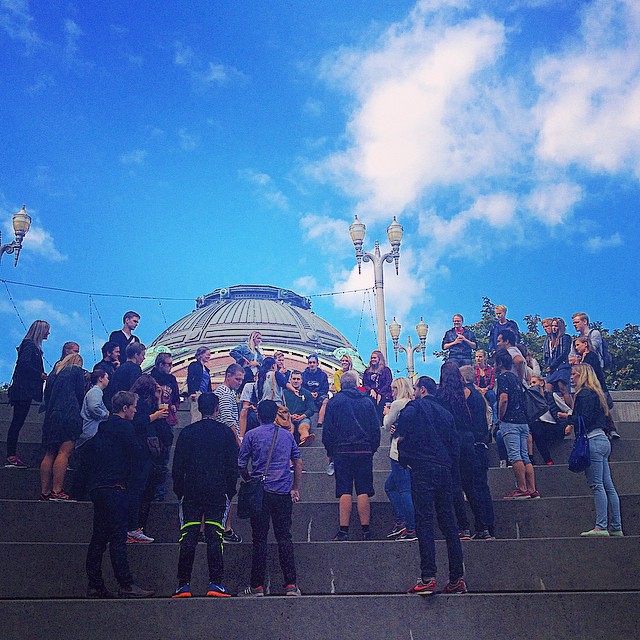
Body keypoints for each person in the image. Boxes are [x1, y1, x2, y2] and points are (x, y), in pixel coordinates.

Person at [397, 376, 467, 596]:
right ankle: (456, 578)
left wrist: (403, 452)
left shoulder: (415, 407)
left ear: (423, 390)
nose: (415, 391)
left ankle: (428, 576)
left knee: (425, 523)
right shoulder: (446, 414)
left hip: (422, 469)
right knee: (449, 525)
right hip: (444, 470)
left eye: (417, 388)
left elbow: (402, 428)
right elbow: (455, 446)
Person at [82, 390, 154, 598]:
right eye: (133, 406)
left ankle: (95, 584)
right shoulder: (124, 427)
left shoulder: (102, 429)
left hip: (98, 487)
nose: (135, 410)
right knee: (118, 537)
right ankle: (126, 583)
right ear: (125, 408)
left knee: (98, 537)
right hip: (115, 487)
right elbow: (136, 454)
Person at [171, 393, 239, 598]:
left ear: (200, 409)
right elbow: (232, 465)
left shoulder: (187, 433)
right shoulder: (226, 433)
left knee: (188, 535)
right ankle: (215, 583)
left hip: (191, 490)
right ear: (217, 409)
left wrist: (179, 489)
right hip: (217, 491)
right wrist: (230, 489)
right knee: (214, 535)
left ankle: (183, 585)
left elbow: (177, 466)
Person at [237, 400, 302, 597]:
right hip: (282, 492)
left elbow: (241, 464)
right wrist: (295, 488)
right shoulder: (287, 436)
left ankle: (256, 586)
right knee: (284, 537)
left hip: (260, 493)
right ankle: (291, 584)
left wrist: (250, 480)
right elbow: (298, 463)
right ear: (275, 415)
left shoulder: (251, 435)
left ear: (258, 416)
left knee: (259, 539)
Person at [560, 364, 622, 537]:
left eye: (574, 374)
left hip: (592, 440)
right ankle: (616, 526)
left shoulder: (584, 393)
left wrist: (568, 418)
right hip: (602, 439)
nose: (571, 377)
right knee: (609, 486)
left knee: (597, 485)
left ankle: (601, 526)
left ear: (582, 375)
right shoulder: (596, 393)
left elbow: (584, 419)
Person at [322, 370, 380, 541]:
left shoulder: (334, 403)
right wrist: (372, 449)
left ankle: (343, 531)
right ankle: (366, 530)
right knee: (363, 489)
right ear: (356, 384)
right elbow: (375, 430)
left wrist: (329, 451)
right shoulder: (367, 402)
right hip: (364, 450)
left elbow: (328, 431)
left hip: (341, 451)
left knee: (344, 489)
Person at [436, 362, 487, 540]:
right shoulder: (467, 392)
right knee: (470, 485)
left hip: (451, 440)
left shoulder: (441, 395)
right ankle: (482, 527)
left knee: (455, 486)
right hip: (468, 440)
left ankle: (463, 526)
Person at [127, 375, 170, 543]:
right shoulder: (138, 406)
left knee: (145, 493)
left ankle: (137, 528)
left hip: (150, 456)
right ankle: (133, 527)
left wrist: (159, 401)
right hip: (141, 454)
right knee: (138, 492)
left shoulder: (151, 406)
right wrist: (156, 414)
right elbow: (138, 423)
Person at [40, 353, 85, 501]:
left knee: (49, 453)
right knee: (64, 452)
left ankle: (45, 491)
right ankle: (57, 490)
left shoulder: (55, 373)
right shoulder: (77, 371)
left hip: (52, 415)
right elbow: (80, 394)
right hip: (69, 414)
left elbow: (46, 395)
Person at [495, 349, 539, 500]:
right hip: (523, 421)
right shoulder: (515, 378)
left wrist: (500, 416)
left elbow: (504, 398)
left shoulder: (503, 378)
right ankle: (532, 488)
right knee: (525, 456)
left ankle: (522, 488)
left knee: (515, 456)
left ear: (499, 363)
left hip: (510, 421)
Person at [6, 320, 49, 468]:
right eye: (46, 330)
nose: (48, 333)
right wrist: (40, 375)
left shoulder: (29, 345)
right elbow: (24, 365)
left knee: (17, 422)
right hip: (23, 391)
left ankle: (11, 454)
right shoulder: (31, 346)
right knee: (17, 422)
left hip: (21, 390)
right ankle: (11, 455)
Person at [459, 365, 495, 539]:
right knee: (482, 487)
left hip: (473, 446)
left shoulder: (467, 396)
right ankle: (489, 526)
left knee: (475, 488)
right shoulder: (480, 398)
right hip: (482, 445)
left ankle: (484, 526)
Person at [214, 363, 246, 544]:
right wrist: (238, 441)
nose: (239, 383)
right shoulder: (225, 394)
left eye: (241, 380)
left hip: (224, 444)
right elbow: (228, 419)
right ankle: (225, 528)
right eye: (237, 379)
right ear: (228, 375)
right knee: (228, 488)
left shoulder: (226, 393)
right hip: (227, 445)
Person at [382, 377, 416, 541]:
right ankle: (402, 519)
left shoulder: (397, 404)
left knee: (403, 490)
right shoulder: (413, 403)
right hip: (412, 452)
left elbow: (387, 425)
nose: (392, 392)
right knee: (390, 486)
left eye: (394, 389)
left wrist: (387, 414)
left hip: (398, 452)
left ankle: (410, 527)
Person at [150, 352, 181, 500]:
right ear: (160, 364)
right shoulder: (150, 378)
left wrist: (175, 406)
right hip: (153, 422)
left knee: (164, 458)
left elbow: (176, 398)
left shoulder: (171, 379)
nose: (171, 367)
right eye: (169, 364)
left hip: (168, 421)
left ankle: (160, 493)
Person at [104, 342, 146, 410]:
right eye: (142, 355)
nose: (144, 358)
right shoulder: (135, 369)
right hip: (127, 405)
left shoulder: (120, 368)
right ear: (136, 355)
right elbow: (136, 388)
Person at [284, 370, 316, 446]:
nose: (296, 381)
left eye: (298, 379)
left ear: (301, 381)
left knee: (304, 427)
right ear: (290, 380)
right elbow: (281, 408)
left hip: (303, 417)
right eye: (294, 379)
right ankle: (288, 444)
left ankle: (305, 440)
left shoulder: (307, 393)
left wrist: (302, 416)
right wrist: (290, 416)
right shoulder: (284, 393)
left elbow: (311, 409)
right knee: (289, 428)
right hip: (288, 418)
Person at [543, 317, 572, 403]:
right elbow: (546, 354)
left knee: (563, 388)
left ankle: (570, 410)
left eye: (556, 326)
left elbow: (564, 353)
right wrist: (548, 365)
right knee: (548, 390)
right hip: (552, 368)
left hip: (561, 367)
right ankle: (552, 410)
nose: (554, 328)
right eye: (552, 326)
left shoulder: (565, 338)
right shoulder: (548, 340)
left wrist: (553, 365)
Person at [79, 369, 110, 448]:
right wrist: (105, 415)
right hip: (91, 431)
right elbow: (93, 407)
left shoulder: (95, 391)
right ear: (100, 379)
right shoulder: (95, 391)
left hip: (90, 431)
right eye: (107, 377)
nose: (108, 380)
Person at [362, 350, 393, 425]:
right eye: (372, 358)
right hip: (371, 394)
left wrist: (380, 393)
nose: (373, 359)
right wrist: (371, 390)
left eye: (375, 358)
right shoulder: (367, 371)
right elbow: (365, 383)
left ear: (379, 359)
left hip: (384, 394)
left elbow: (388, 382)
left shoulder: (386, 370)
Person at [302, 354, 330, 427]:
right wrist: (309, 393)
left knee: (326, 400)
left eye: (314, 362)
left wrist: (317, 393)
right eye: (310, 362)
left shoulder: (323, 375)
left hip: (319, 395)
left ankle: (320, 423)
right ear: (308, 364)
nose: (312, 364)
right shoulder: (303, 375)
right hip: (306, 395)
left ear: (317, 363)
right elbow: (302, 387)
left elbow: (325, 388)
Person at [186, 347, 212, 423]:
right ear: (201, 354)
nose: (209, 356)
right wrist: (192, 392)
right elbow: (190, 379)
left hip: (204, 395)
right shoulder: (194, 365)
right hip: (197, 393)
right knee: (196, 415)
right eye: (207, 354)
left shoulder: (206, 369)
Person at [474, 349, 497, 427]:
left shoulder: (491, 369)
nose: (478, 359)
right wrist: (479, 389)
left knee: (492, 395)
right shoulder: (472, 369)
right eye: (476, 357)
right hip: (476, 389)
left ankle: (495, 419)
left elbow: (492, 383)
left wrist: (485, 389)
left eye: (480, 357)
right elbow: (471, 382)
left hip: (487, 390)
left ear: (485, 358)